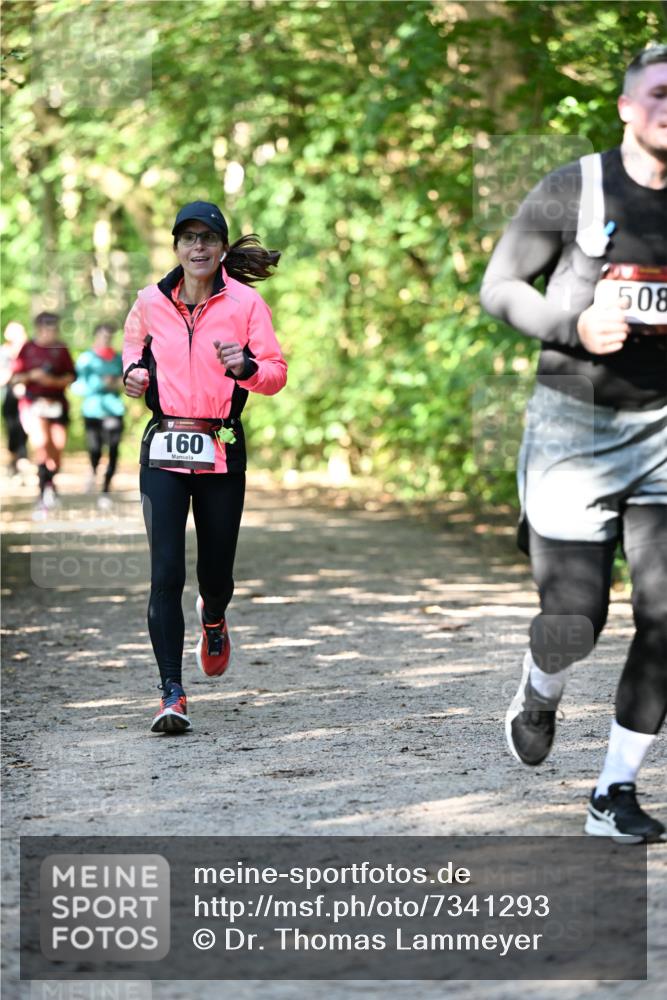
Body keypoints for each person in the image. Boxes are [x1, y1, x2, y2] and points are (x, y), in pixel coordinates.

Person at [480, 46, 667, 843]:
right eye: (658, 94)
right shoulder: (575, 186)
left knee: (666, 614)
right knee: (574, 618)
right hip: (573, 423)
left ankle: (611, 792)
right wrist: (572, 324)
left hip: (664, 430)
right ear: (626, 107)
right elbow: (498, 287)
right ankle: (538, 689)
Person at [123, 200, 287, 735]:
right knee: (164, 573)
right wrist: (133, 376)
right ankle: (172, 692)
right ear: (176, 247)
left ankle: (213, 616)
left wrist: (247, 367)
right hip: (164, 448)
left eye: (208, 239)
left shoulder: (244, 304)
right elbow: (134, 349)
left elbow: (276, 372)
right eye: (188, 238)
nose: (198, 247)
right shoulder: (149, 301)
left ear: (221, 249)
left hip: (220, 443)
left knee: (215, 573)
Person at [11, 312, 76, 513]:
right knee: (41, 444)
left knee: (57, 447)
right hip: (33, 404)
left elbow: (72, 376)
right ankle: (42, 492)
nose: (52, 332)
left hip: (57, 403)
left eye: (55, 328)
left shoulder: (61, 348)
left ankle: (51, 483)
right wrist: (32, 375)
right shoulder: (28, 349)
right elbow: (14, 378)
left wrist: (55, 382)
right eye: (48, 328)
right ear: (39, 328)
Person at [73, 322, 125, 504]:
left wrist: (118, 383)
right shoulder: (86, 359)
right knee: (95, 449)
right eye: (103, 336)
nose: (106, 339)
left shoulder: (118, 358)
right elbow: (78, 385)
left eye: (109, 337)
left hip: (114, 409)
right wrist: (101, 383)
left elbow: (126, 380)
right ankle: (93, 470)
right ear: (96, 336)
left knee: (113, 449)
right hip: (92, 410)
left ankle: (106, 489)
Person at [0, 321, 29, 477]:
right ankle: (14, 463)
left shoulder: (29, 351)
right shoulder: (4, 353)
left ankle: (22, 463)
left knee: (26, 430)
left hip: (28, 398)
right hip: (11, 398)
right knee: (13, 430)